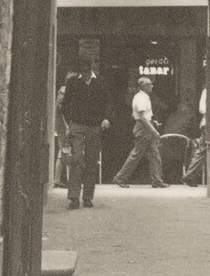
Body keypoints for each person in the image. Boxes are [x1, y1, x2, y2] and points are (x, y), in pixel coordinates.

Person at [58, 61, 110, 208]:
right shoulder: (73, 82)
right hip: (78, 125)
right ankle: (74, 197)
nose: (84, 73)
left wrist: (105, 118)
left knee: (91, 161)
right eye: (82, 71)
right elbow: (66, 104)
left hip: (94, 126)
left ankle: (87, 197)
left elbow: (107, 102)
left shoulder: (100, 82)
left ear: (91, 69)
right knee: (77, 160)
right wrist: (71, 121)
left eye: (86, 70)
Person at [112, 76, 167, 188]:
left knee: (154, 154)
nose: (152, 86)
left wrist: (153, 122)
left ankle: (157, 179)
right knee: (137, 154)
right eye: (150, 84)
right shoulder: (141, 98)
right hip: (144, 129)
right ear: (144, 86)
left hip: (146, 127)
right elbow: (142, 116)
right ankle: (120, 177)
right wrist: (153, 130)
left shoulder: (144, 97)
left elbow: (144, 116)